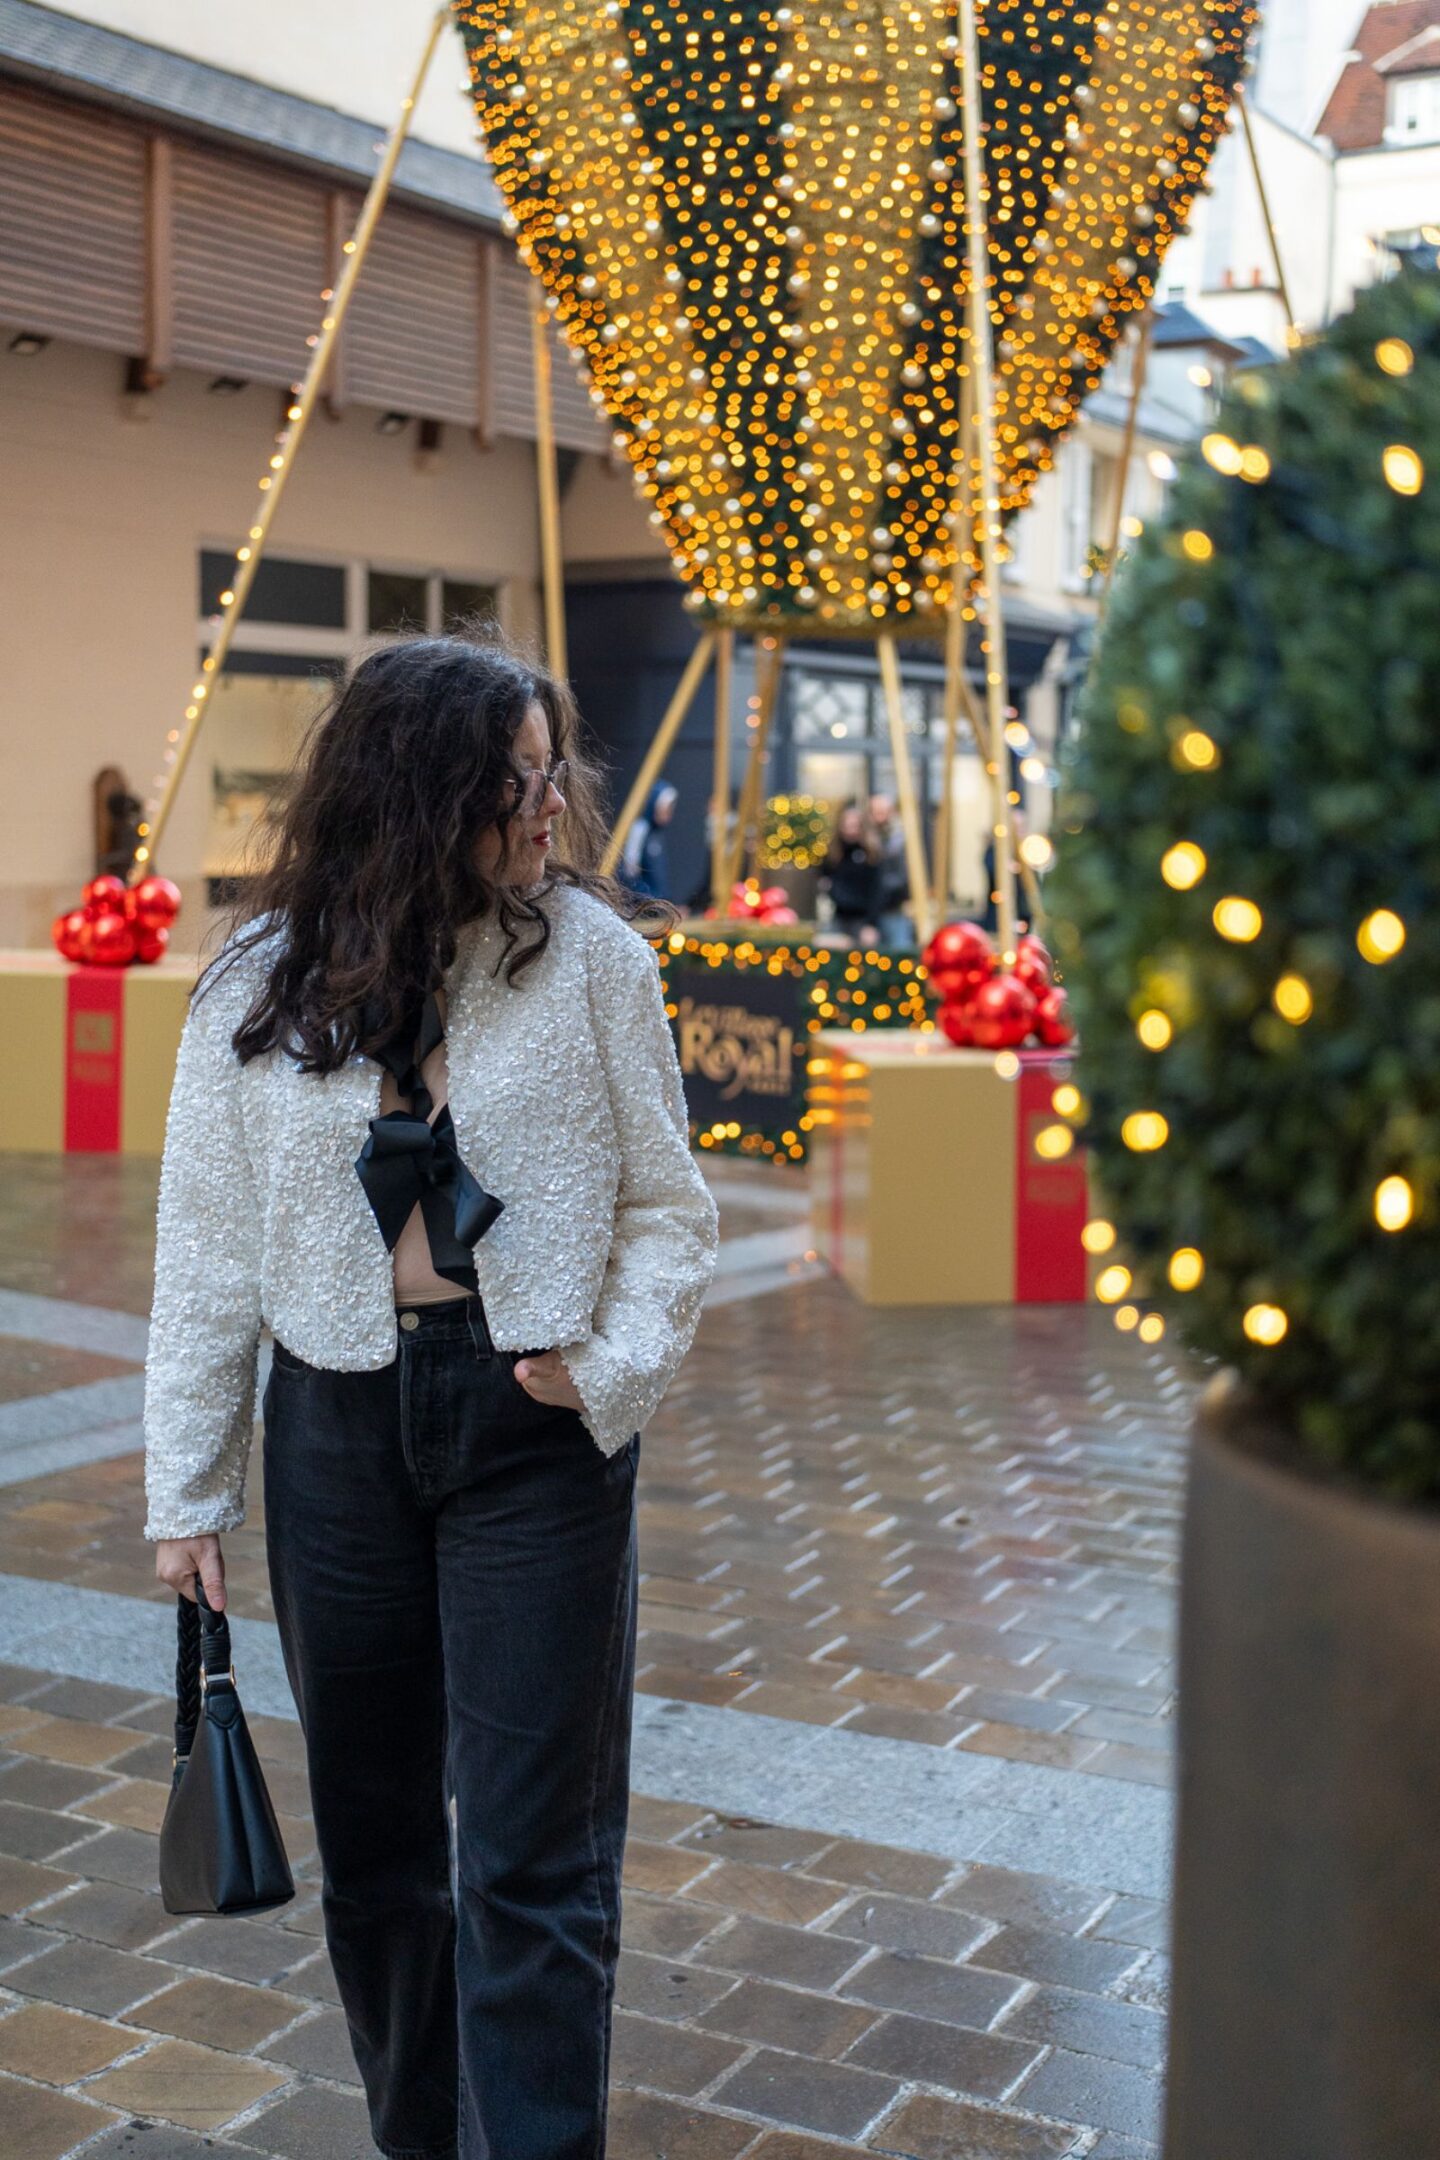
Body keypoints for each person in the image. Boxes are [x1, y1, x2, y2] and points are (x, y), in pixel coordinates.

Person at [142, 635, 720, 2160]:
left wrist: (611, 1367)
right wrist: (186, 1491)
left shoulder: (595, 959)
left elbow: (671, 1209)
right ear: (414, 797)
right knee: (386, 1857)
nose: (547, 812)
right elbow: (204, 1250)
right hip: (332, 1430)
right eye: (509, 784)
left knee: (534, 1857)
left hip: (533, 1431)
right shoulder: (252, 988)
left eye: (552, 774)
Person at [820, 799, 883, 946]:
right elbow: (825, 880)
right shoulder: (834, 853)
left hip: (862, 919)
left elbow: (876, 891)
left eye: (855, 826)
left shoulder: (870, 854)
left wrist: (871, 924)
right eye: (847, 826)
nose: (851, 830)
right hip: (839, 916)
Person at [619, 778, 678, 898]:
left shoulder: (656, 835)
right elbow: (630, 873)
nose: (669, 813)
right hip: (644, 908)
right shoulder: (639, 830)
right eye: (666, 808)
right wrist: (647, 899)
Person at [868, 791, 912, 946]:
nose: (878, 816)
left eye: (882, 812)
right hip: (868, 913)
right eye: (875, 812)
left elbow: (902, 876)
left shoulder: (899, 841)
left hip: (892, 910)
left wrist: (881, 892)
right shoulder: (866, 839)